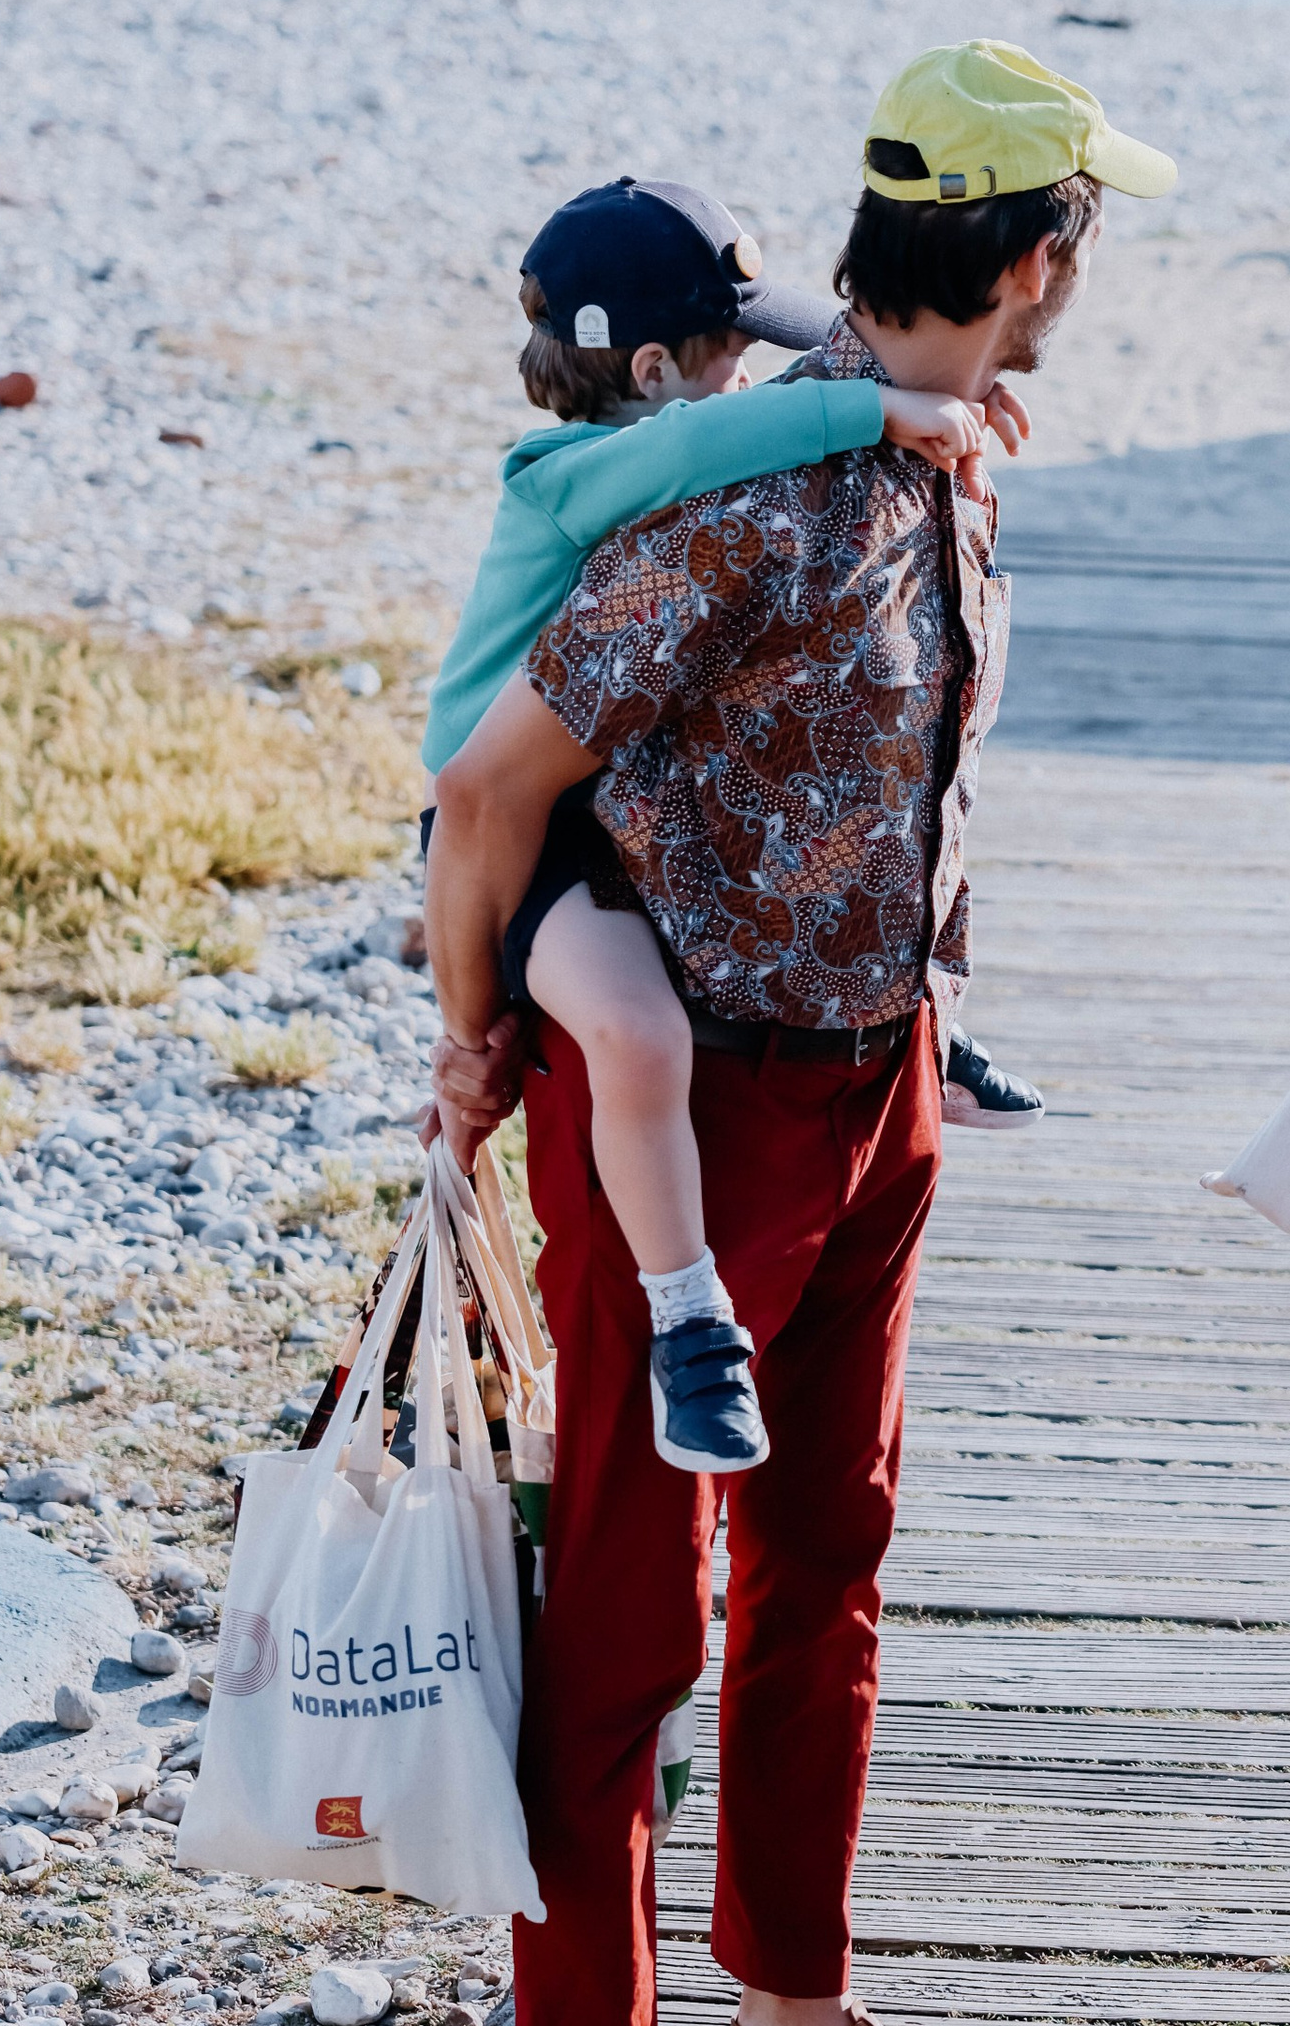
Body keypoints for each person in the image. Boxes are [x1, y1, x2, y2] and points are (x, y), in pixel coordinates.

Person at [425, 41, 1175, 2026]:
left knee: (825, 1566)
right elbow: (493, 784)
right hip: (684, 1100)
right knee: (618, 1621)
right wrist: (476, 1036)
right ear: (1041, 249)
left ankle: (793, 1986)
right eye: (1083, 238)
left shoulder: (956, 443)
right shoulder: (748, 487)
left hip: (885, 1078)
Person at [420, 174, 1043, 1472]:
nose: (744, 392)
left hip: (601, 802)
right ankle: (689, 1313)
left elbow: (735, 434)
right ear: (653, 367)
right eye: (724, 361)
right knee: (640, 1031)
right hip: (518, 829)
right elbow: (707, 449)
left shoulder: (661, 437)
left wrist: (951, 403)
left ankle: (936, 1014)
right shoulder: (567, 475)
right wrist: (881, 405)